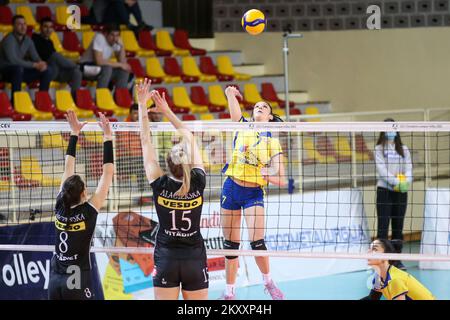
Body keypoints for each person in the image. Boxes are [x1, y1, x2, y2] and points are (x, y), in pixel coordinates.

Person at [136, 78, 208, 300]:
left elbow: (145, 140)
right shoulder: (198, 181)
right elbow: (189, 136)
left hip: (166, 258)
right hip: (194, 258)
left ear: (167, 164)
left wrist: (141, 105)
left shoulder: (160, 184)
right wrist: (167, 111)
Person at [220, 86, 286, 300]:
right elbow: (234, 110)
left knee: (257, 242)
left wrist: (268, 173)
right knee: (230, 245)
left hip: (253, 193)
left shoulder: (272, 141)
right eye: (256, 106)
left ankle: (268, 282)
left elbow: (282, 178)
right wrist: (230, 94)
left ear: (269, 117)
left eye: (264, 107)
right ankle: (229, 292)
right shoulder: (242, 126)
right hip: (231, 187)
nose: (259, 107)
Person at [48, 110, 114, 300]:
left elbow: (68, 166)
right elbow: (107, 173)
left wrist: (74, 133)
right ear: (84, 193)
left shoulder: (60, 203)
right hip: (75, 280)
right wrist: (107, 136)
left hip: (54, 278)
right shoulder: (89, 211)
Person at [375, 118, 413, 270]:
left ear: (396, 131)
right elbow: (382, 170)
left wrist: (406, 181)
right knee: (383, 227)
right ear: (384, 131)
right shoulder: (379, 149)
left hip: (400, 192)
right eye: (388, 129)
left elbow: (409, 168)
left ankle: (397, 260)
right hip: (384, 191)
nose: (391, 132)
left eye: (393, 129)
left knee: (398, 227)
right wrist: (396, 181)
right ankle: (382, 260)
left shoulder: (403, 149)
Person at [0, 15, 52, 103]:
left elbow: (35, 57)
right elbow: (13, 60)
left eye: (24, 24)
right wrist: (34, 65)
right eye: (19, 24)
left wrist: (41, 63)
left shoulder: (28, 40)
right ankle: (16, 103)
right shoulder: (8, 39)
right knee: (18, 69)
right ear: (14, 26)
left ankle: (42, 102)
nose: (23, 26)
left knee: (47, 70)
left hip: (19, 71)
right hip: (5, 72)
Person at [361, 239, 435, 300]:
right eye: (369, 248)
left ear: (386, 256)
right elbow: (372, 298)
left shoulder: (394, 280)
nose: (368, 252)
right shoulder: (378, 277)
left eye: (374, 249)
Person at [32, 17, 82, 98]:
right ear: (40, 28)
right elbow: (49, 56)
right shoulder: (35, 38)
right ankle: (78, 66)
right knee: (55, 55)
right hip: (43, 72)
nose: (48, 30)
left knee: (77, 73)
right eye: (45, 27)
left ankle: (75, 100)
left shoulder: (50, 42)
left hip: (55, 71)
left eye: (50, 27)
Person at [79, 24, 131, 90]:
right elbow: (99, 61)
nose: (115, 38)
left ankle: (119, 98)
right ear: (106, 34)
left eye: (117, 35)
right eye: (112, 35)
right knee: (107, 69)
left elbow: (123, 62)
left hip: (99, 69)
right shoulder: (99, 37)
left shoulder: (115, 41)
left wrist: (122, 46)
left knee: (123, 71)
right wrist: (121, 65)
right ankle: (101, 97)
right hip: (85, 67)